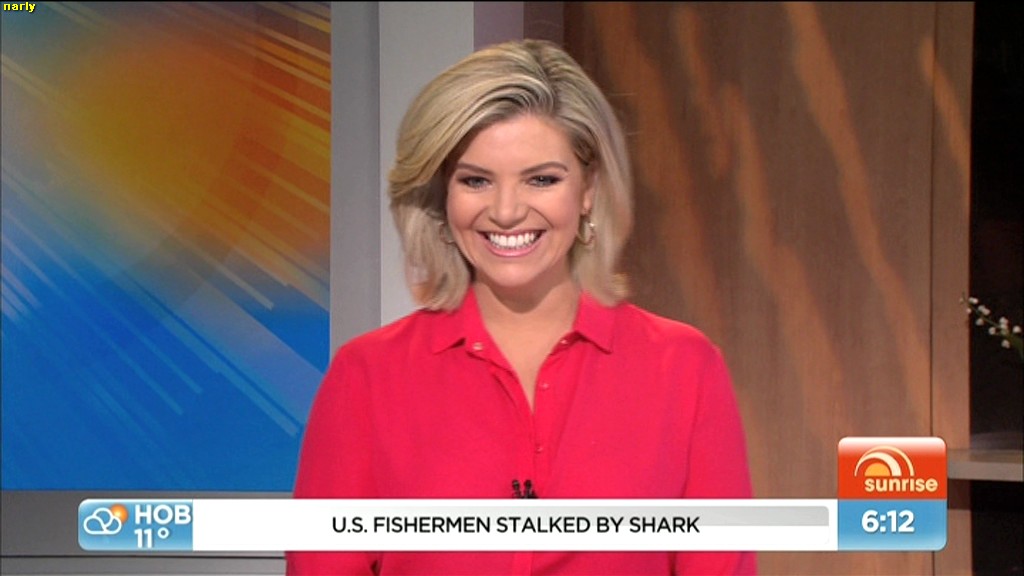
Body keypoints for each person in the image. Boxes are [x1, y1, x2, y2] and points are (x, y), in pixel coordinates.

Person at [287, 39, 756, 575]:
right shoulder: (367, 377)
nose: (506, 211)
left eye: (541, 179)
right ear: (443, 196)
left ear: (588, 189)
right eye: (476, 180)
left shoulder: (684, 369)